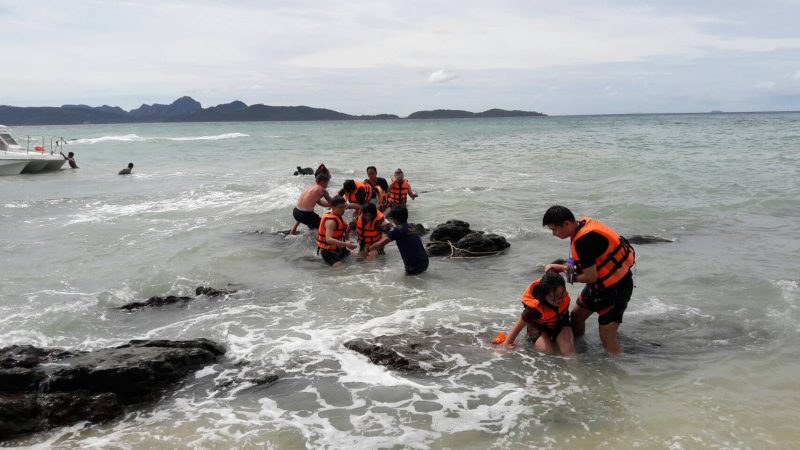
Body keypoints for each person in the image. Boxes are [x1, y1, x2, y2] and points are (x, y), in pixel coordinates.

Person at [542, 205, 635, 354]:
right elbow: (589, 264)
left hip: (616, 289)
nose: (554, 234)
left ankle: (619, 370)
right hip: (598, 286)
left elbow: (590, 276)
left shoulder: (584, 240)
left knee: (606, 336)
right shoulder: (583, 224)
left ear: (567, 223)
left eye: (555, 229)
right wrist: (564, 267)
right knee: (576, 317)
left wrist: (570, 277)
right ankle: (580, 349)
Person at [494, 268, 575, 355]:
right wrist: (505, 347)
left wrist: (564, 267)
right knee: (547, 351)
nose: (560, 300)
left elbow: (550, 268)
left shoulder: (557, 284)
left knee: (568, 350)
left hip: (560, 322)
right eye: (555, 297)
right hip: (538, 326)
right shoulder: (533, 309)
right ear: (543, 296)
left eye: (562, 294)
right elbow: (517, 328)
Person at [368, 205, 428, 275]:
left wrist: (367, 249)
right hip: (425, 262)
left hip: (413, 267)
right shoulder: (412, 227)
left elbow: (379, 244)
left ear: (394, 219)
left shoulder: (397, 230)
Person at [317, 196, 357, 268]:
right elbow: (328, 240)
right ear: (333, 207)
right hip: (329, 252)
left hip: (340, 249)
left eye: (344, 207)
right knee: (341, 269)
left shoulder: (338, 216)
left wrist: (350, 227)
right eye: (340, 208)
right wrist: (346, 244)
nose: (343, 210)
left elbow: (346, 231)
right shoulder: (331, 221)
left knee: (358, 258)